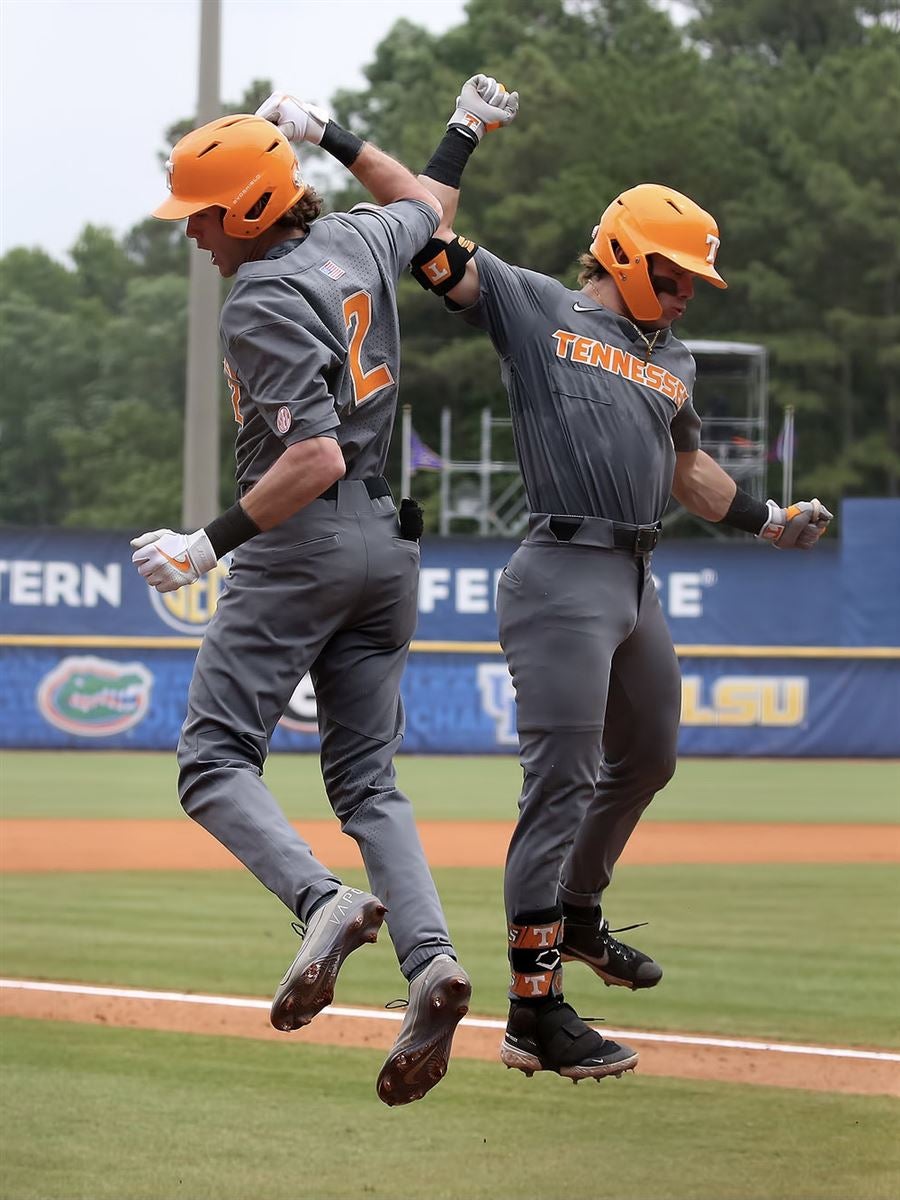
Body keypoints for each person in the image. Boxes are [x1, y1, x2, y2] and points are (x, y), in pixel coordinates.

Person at [413, 75, 832, 1083]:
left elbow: (689, 470)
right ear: (624, 255)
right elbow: (423, 245)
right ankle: (533, 1014)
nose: (686, 295)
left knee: (647, 755)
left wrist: (766, 517)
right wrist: (463, 136)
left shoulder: (673, 361)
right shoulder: (538, 305)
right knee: (556, 785)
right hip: (559, 567)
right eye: (676, 276)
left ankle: (582, 913)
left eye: (692, 282)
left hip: (633, 580)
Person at [130, 99, 471, 1107]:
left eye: (200, 214)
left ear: (246, 210)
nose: (190, 230)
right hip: (388, 548)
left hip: (306, 542)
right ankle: (434, 965)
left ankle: (322, 900)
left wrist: (206, 543)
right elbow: (422, 204)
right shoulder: (358, 239)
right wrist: (340, 133)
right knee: (369, 782)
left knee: (211, 763)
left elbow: (312, 456)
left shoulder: (260, 298)